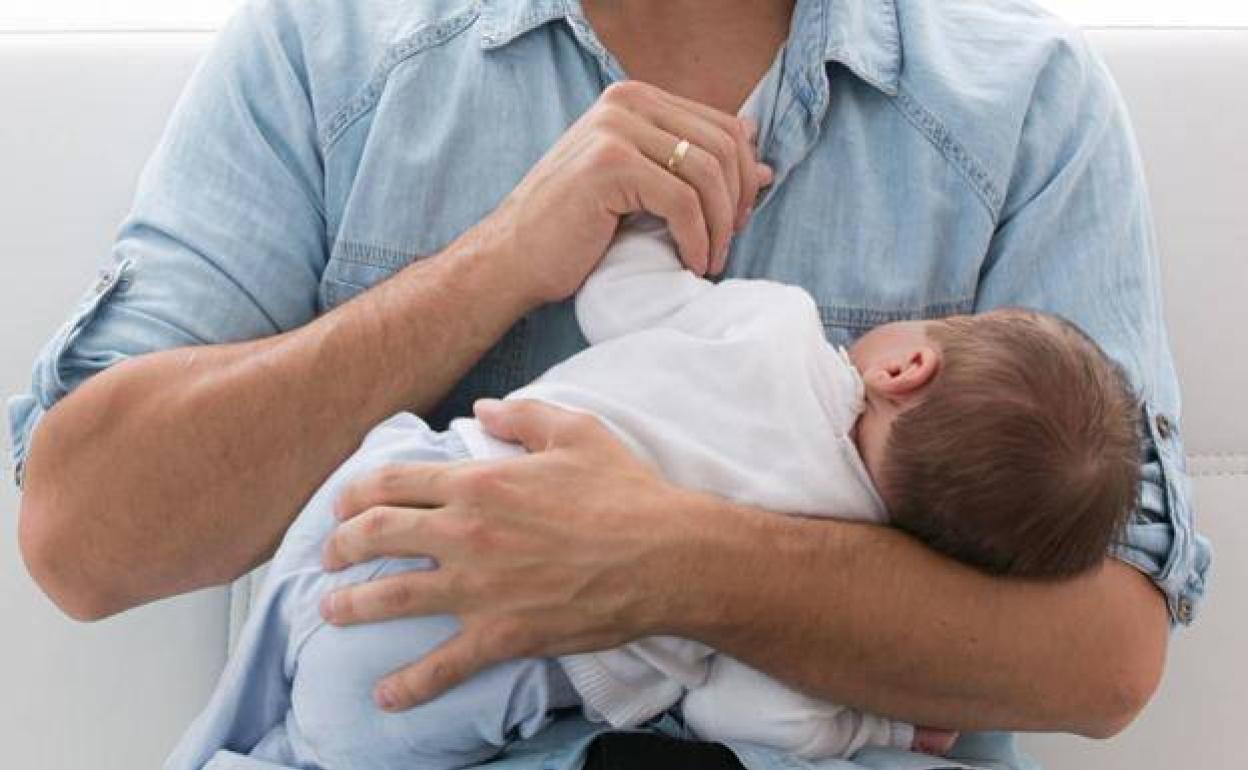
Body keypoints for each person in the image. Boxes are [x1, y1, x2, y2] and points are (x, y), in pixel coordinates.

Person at [9, 2, 1210, 769]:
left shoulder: (1027, 104)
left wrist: (668, 561)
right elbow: (86, 536)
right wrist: (495, 265)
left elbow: (1102, 658)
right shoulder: (323, 56)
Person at [164, 209, 1142, 770]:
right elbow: (745, 716)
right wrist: (881, 722)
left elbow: (623, 298)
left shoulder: (778, 327)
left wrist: (639, 218)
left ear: (908, 365)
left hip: (414, 484)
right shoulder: (833, 570)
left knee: (247, 688)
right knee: (317, 742)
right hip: (463, 667)